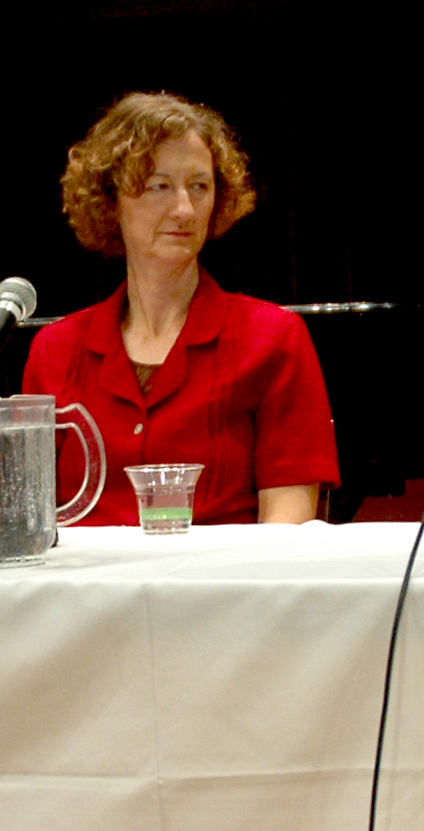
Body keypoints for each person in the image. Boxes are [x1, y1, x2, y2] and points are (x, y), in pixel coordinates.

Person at [22, 92, 339, 525]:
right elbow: (28, 522)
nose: (185, 209)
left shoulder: (274, 338)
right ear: (111, 200)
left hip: (223, 590)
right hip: (86, 592)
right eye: (159, 186)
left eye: (199, 186)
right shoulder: (53, 351)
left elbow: (288, 524)